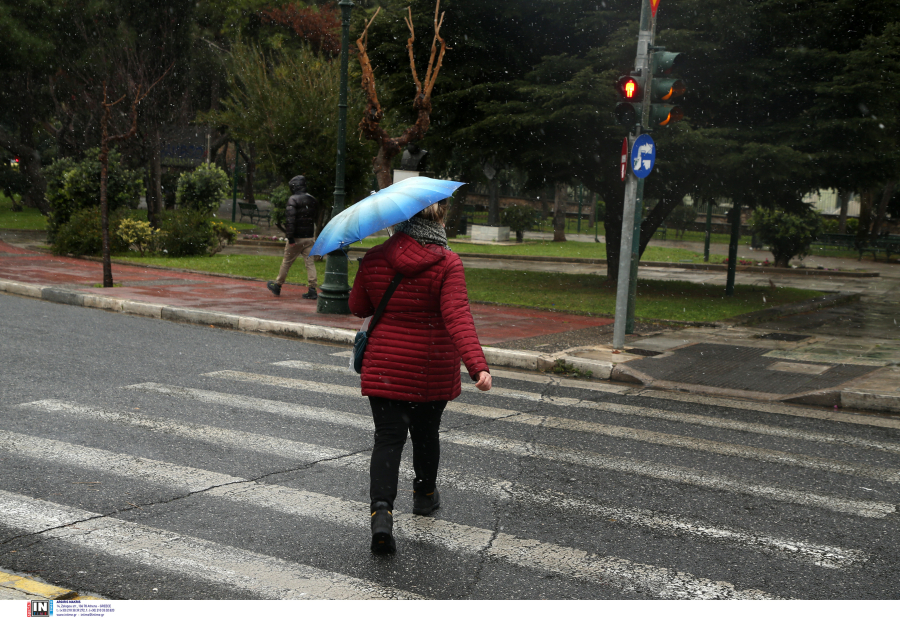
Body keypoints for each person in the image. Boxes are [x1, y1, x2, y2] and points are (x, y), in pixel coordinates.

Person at [349, 199, 492, 554]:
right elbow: (457, 315)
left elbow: (358, 307)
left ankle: (381, 513)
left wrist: (370, 277)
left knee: (388, 439)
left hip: (384, 367)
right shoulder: (447, 262)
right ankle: (425, 495)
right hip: (431, 368)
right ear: (439, 220)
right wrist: (478, 365)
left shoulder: (375, 258)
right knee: (426, 434)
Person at [267, 175, 319, 300]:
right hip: (309, 237)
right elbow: (315, 217)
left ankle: (278, 285)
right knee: (310, 263)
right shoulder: (312, 199)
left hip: (296, 238)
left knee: (287, 262)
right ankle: (312, 289)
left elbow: (290, 221)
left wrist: (290, 238)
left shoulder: (293, 200)